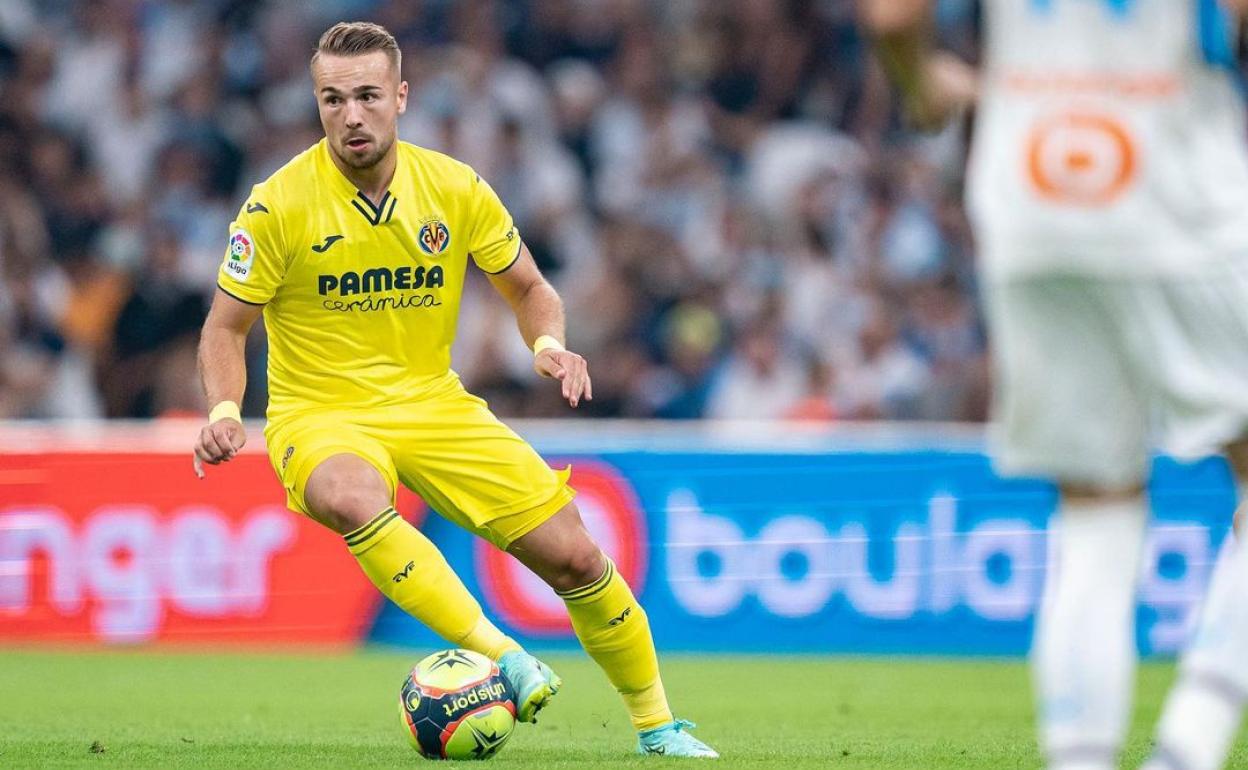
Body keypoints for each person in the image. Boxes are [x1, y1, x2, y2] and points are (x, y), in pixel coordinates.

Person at [191, 21, 716, 759]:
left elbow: (530, 287)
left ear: (400, 97)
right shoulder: (276, 206)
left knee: (577, 558)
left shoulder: (454, 187)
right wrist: (222, 411)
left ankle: (659, 727)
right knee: (350, 495)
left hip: (434, 404)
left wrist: (549, 346)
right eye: (332, 99)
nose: (351, 115)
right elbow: (223, 328)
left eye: (368, 95)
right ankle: (502, 653)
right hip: (322, 413)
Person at [861, 2, 1248, 769]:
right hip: (1170, 172)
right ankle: (1193, 740)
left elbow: (891, 16)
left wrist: (924, 86)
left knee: (1095, 508)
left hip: (1031, 189)